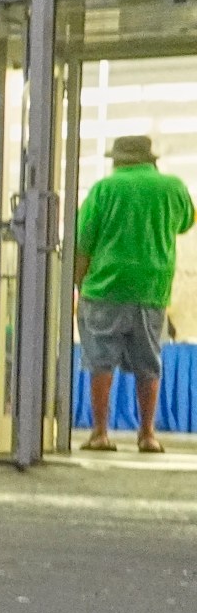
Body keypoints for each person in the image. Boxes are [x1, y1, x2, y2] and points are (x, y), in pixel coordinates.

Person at [74, 133, 194, 453]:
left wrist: (79, 285)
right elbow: (185, 223)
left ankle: (100, 432)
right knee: (149, 362)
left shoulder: (103, 189)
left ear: (116, 161)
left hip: (104, 286)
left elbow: (82, 242)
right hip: (152, 287)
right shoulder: (173, 188)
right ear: (151, 159)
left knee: (101, 361)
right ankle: (147, 434)